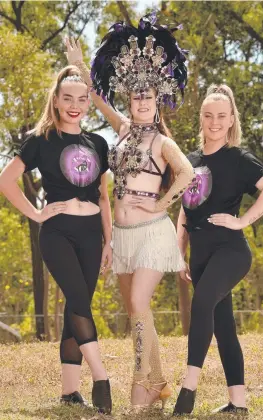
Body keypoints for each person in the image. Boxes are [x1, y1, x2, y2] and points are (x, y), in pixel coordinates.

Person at [65, 12, 194, 409]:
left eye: (147, 96)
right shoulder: (121, 129)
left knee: (139, 304)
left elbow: (188, 172)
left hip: (153, 233)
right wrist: (83, 67)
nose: (140, 100)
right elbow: (99, 98)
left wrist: (160, 201)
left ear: (157, 102)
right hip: (122, 238)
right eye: (136, 95)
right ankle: (157, 383)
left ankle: (143, 384)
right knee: (135, 311)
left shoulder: (160, 141)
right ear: (131, 100)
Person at [0, 66, 113, 414]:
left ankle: (68, 392)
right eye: (68, 98)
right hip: (58, 232)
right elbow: (6, 180)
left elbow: (104, 196)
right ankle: (101, 377)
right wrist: (35, 215)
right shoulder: (41, 140)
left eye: (82, 99)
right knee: (79, 301)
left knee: (75, 312)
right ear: (57, 100)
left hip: (93, 234)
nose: (75, 105)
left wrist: (109, 241)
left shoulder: (98, 143)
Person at [173, 84, 263, 416]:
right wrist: (179, 252)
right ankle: (238, 402)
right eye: (208, 115)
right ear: (201, 118)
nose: (214, 122)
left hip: (231, 251)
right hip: (201, 255)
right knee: (223, 327)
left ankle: (188, 389)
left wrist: (243, 220)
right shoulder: (189, 161)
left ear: (231, 119)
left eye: (221, 116)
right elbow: (184, 210)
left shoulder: (238, 159)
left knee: (203, 302)